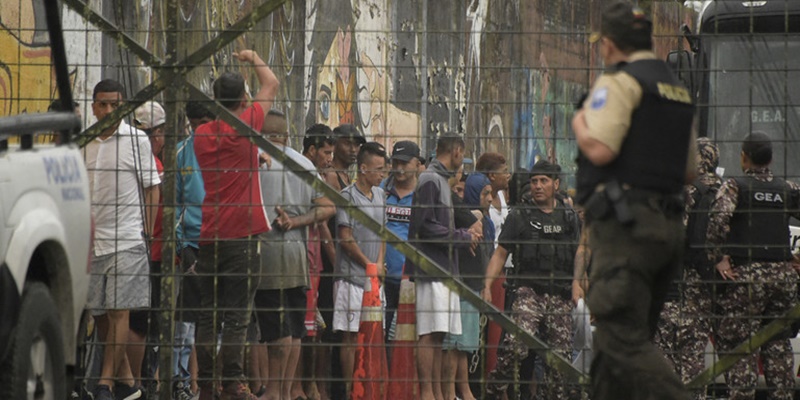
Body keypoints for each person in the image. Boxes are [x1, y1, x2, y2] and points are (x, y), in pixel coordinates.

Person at [571, 2, 696, 399]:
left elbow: (601, 149)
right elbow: (689, 170)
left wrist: (579, 122)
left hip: (627, 230)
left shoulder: (619, 81)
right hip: (668, 228)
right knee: (616, 353)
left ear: (608, 44)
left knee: (621, 338)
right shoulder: (676, 89)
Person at [193, 49, 279, 400]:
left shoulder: (200, 134)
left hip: (209, 232)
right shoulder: (247, 125)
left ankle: (207, 385)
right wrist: (253, 55)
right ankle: (234, 382)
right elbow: (271, 82)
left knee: (208, 314)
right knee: (237, 314)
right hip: (242, 233)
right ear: (244, 99)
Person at [706, 132, 800, 400]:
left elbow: (716, 221)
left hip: (746, 279)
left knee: (741, 346)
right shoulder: (787, 189)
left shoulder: (735, 186)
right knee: (778, 344)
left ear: (743, 156)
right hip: (783, 280)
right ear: (771, 158)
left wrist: (718, 257)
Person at [83, 79, 160, 400]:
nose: (109, 110)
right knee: (99, 313)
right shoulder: (84, 142)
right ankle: (128, 382)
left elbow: (152, 187)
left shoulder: (137, 140)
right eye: (103, 104)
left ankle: (105, 383)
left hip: (128, 238)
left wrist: (147, 230)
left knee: (119, 312)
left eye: (116, 104)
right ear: (93, 107)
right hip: (92, 243)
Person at [482, 160, 581, 399]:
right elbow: (500, 254)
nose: (537, 186)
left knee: (559, 364)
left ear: (556, 184)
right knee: (516, 347)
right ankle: (493, 391)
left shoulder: (568, 217)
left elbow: (579, 252)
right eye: (534, 181)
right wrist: (486, 285)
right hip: (529, 293)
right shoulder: (520, 216)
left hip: (560, 295)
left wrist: (578, 283)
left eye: (543, 181)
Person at [255, 110, 336, 400]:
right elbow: (328, 207)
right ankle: (286, 391)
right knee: (294, 327)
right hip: (298, 256)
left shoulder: (257, 160)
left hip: (266, 253)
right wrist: (297, 221)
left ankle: (274, 391)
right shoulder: (303, 164)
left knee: (276, 328)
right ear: (287, 136)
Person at [407, 134, 481, 400]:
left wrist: (463, 236)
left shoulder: (439, 180)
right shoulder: (429, 179)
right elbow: (425, 227)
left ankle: (438, 393)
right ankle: (427, 393)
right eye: (463, 155)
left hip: (444, 269)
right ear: (458, 151)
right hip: (431, 269)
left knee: (440, 335)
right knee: (429, 333)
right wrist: (462, 237)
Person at [654, 137, 721, 400]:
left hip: (676, 288)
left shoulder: (685, 193)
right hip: (712, 290)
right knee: (694, 363)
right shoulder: (729, 190)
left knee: (665, 359)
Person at [332, 142, 388, 395]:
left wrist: (378, 264)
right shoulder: (347, 196)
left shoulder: (380, 196)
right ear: (363, 169)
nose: (382, 174)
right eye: (378, 169)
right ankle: (347, 389)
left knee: (374, 333)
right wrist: (368, 264)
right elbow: (345, 238)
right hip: (351, 278)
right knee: (351, 336)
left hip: (374, 278)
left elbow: (383, 234)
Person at [172, 101, 214, 399]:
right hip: (191, 244)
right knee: (189, 319)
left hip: (222, 242)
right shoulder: (181, 152)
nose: (198, 127)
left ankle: (209, 383)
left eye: (203, 121)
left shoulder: (227, 148)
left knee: (218, 320)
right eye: (193, 122)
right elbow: (173, 203)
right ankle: (184, 381)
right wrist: (180, 245)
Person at [443, 172, 494, 400]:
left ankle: (463, 390)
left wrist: (486, 285)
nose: (490, 198)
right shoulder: (463, 219)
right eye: (485, 193)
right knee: (455, 342)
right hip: (460, 285)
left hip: (475, 286)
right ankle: (451, 392)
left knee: (466, 344)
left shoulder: (486, 221)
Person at [131, 100, 167, 392]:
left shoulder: (144, 162)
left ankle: (143, 378)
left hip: (143, 249)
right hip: (149, 251)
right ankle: (144, 379)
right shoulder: (153, 165)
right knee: (144, 322)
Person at [300, 124, 337, 400]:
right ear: (312, 150)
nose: (330, 158)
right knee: (303, 328)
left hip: (315, 260)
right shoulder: (307, 173)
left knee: (314, 328)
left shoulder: (321, 175)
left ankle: (312, 385)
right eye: (325, 152)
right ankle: (303, 386)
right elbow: (323, 222)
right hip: (306, 258)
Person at [383, 140, 424, 343]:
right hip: (382, 278)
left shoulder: (424, 195)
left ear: (417, 164)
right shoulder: (380, 191)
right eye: (396, 162)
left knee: (407, 339)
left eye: (405, 163)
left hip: (411, 279)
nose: (399, 168)